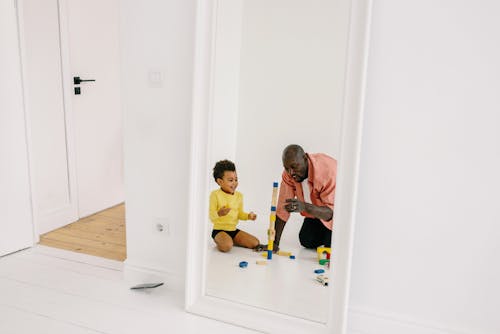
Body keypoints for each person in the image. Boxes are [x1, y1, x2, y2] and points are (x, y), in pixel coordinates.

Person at [272, 144, 336, 250]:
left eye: (294, 167)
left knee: (332, 243)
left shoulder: (328, 172)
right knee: (306, 239)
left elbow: (331, 213)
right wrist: (274, 243)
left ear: (305, 159)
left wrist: (304, 207)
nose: (290, 172)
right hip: (316, 214)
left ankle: (335, 237)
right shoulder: (289, 174)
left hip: (337, 216)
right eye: (286, 168)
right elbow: (283, 207)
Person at [209, 159, 260, 252]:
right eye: (230, 180)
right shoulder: (215, 195)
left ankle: (231, 239)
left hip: (233, 230)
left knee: (255, 243)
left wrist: (248, 216)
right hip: (219, 230)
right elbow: (211, 216)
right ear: (220, 182)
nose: (234, 183)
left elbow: (239, 213)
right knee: (227, 246)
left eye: (236, 179)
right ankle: (223, 240)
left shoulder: (239, 196)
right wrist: (219, 213)